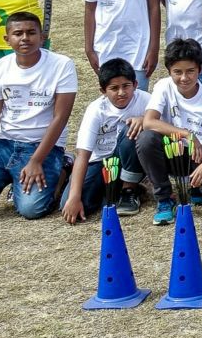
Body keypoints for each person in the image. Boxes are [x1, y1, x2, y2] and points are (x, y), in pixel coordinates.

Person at [0, 12, 75, 219]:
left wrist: (36, 160)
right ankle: (15, 177)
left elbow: (60, 118)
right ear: (7, 39)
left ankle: (64, 167)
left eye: (31, 33)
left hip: (42, 146)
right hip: (4, 144)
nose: (25, 38)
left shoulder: (62, 65)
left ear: (42, 37)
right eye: (18, 33)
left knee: (32, 210)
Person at [138, 38, 202, 225]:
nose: (184, 78)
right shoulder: (163, 86)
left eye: (190, 71)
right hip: (175, 151)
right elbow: (148, 122)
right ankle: (164, 198)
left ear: (200, 69)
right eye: (177, 72)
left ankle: (196, 187)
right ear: (169, 71)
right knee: (146, 139)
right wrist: (187, 134)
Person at [60, 58, 148, 223]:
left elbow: (163, 127)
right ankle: (114, 188)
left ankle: (129, 189)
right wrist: (74, 197)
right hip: (100, 162)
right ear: (103, 90)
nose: (121, 92)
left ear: (135, 85)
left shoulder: (147, 100)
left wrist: (145, 120)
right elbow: (83, 155)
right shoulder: (95, 110)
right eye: (114, 88)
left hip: (127, 158)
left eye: (126, 86)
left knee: (133, 128)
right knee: (74, 205)